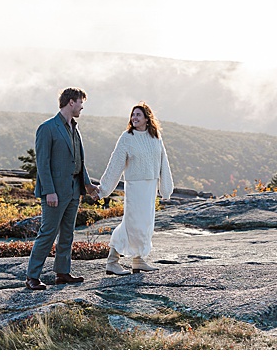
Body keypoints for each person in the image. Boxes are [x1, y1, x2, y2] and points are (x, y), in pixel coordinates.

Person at [25, 88, 99, 290]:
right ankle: (32, 276)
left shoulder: (75, 128)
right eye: (81, 102)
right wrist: (49, 191)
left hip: (74, 190)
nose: (82, 107)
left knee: (67, 234)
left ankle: (62, 273)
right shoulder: (47, 128)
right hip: (55, 192)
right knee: (47, 233)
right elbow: (43, 163)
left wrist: (87, 184)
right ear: (71, 102)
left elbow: (78, 161)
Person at [97, 103, 175, 275]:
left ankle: (138, 260)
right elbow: (115, 164)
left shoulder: (155, 137)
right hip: (135, 186)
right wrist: (103, 189)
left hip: (150, 186)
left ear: (147, 118)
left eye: (138, 115)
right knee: (131, 223)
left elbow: (164, 162)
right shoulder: (127, 137)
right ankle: (112, 261)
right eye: (133, 115)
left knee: (146, 224)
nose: (134, 118)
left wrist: (166, 188)